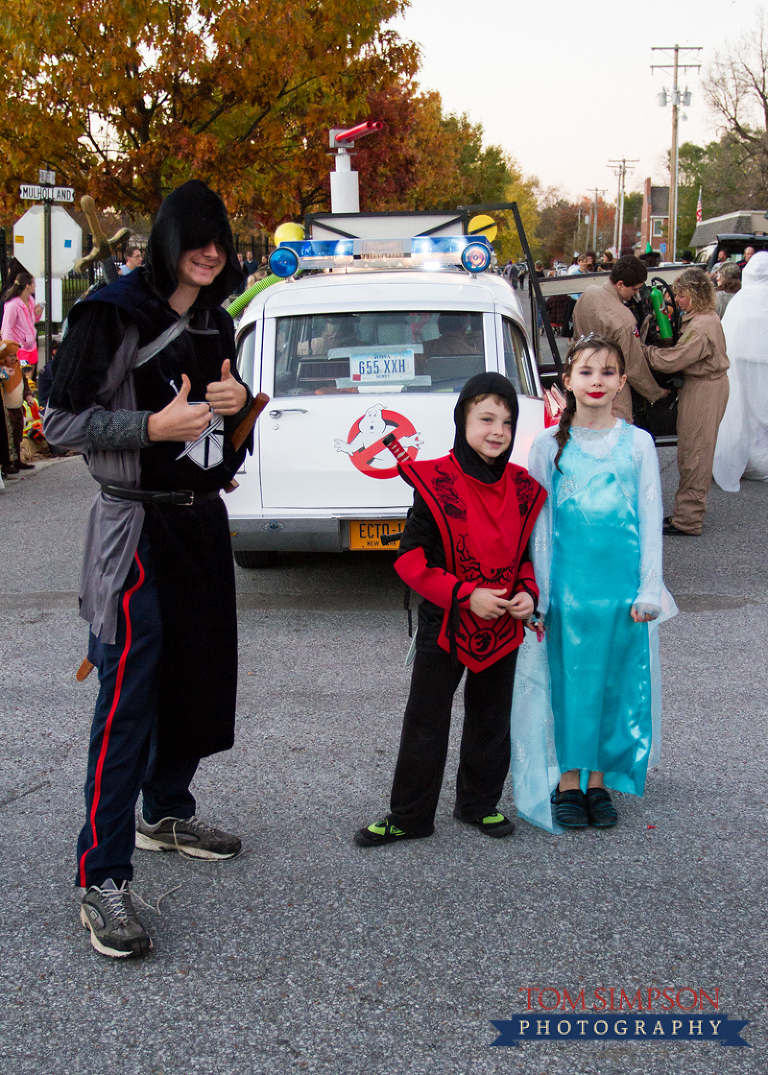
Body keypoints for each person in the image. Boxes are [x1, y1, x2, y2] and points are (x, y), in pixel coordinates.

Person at [44, 180, 253, 959]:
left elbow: (230, 444)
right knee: (127, 699)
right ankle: (101, 875)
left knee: (200, 677)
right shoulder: (114, 313)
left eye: (219, 242)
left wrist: (236, 407)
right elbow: (59, 419)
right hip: (134, 529)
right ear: (168, 239)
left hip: (200, 525)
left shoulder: (216, 318)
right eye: (196, 239)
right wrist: (149, 424)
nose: (209, 253)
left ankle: (166, 807)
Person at [355, 373, 547, 847]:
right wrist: (465, 594)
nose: (497, 431)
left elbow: (525, 556)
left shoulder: (523, 488)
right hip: (446, 622)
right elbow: (409, 557)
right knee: (426, 719)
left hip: (503, 626)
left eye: (506, 421)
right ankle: (409, 816)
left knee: (491, 719)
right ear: (462, 418)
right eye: (486, 418)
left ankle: (479, 804)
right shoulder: (436, 479)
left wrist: (528, 593)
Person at [510, 334, 675, 832]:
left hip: (622, 592)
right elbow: (537, 527)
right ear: (568, 381)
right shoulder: (545, 446)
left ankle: (598, 780)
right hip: (567, 591)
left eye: (607, 372)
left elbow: (650, 515)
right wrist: (539, 591)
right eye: (586, 371)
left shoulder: (638, 443)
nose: (596, 381)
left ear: (622, 380)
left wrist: (650, 589)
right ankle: (566, 782)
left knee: (613, 683)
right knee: (567, 684)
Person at [644, 268, 729, 536]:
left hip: (704, 390)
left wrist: (645, 352)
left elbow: (675, 360)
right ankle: (686, 513)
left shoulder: (702, 326)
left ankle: (688, 520)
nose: (676, 300)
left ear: (693, 294)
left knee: (695, 453)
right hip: (703, 387)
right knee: (692, 450)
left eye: (680, 296)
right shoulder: (703, 318)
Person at [572, 254, 666, 421]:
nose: (637, 293)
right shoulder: (624, 320)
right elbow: (633, 366)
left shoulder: (588, 294)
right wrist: (656, 392)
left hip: (583, 384)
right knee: (616, 437)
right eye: (635, 289)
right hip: (612, 391)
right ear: (621, 284)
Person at [713, 251, 768, 490]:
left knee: (743, 412)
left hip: (740, 368)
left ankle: (747, 458)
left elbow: (725, 340)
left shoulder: (739, 302)